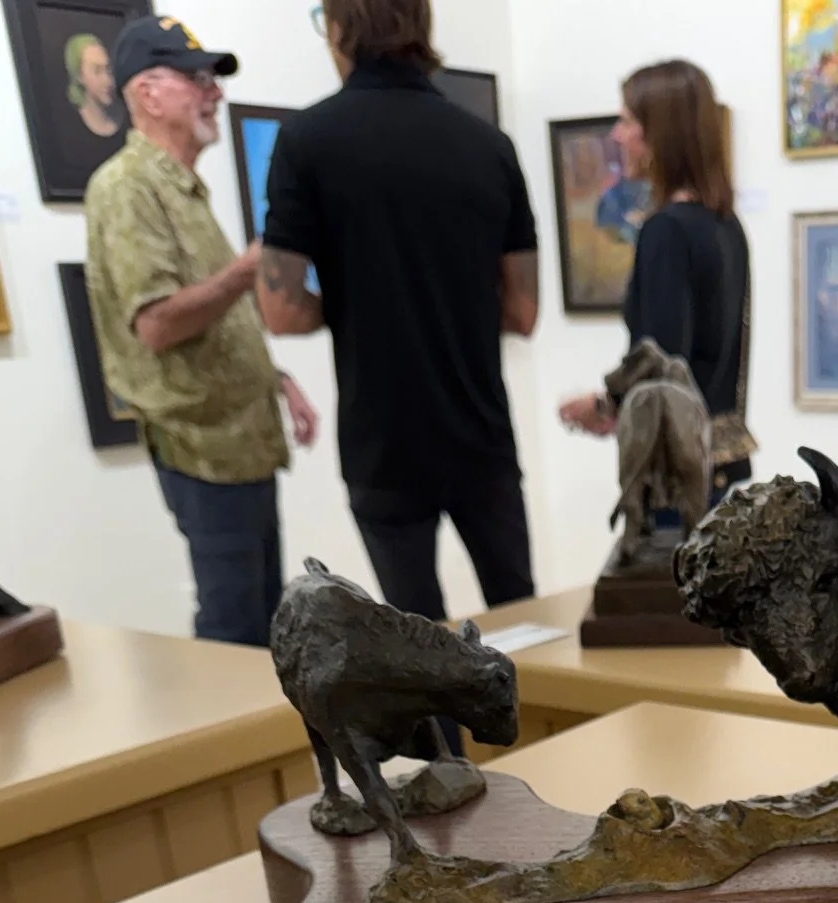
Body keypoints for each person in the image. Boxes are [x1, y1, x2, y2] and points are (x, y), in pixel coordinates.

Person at [257, 0, 540, 649]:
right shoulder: (489, 145)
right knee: (524, 616)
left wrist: (362, 304)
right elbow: (522, 312)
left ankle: (444, 753)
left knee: (415, 641)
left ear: (339, 26)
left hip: (382, 438)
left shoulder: (308, 141)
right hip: (480, 430)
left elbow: (279, 306)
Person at [85, 16, 318, 648]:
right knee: (235, 634)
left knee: (272, 627)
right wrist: (247, 269)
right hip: (203, 449)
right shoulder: (127, 188)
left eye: (212, 80)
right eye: (196, 80)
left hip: (240, 443)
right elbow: (157, 324)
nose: (213, 93)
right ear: (146, 94)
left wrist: (278, 380)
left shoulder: (181, 189)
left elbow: (211, 322)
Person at [560, 60, 754, 502]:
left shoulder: (666, 230)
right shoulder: (725, 224)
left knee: (659, 574)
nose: (616, 135)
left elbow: (662, 361)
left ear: (659, 134)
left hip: (675, 472)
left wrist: (604, 403)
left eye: (627, 121)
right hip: (719, 460)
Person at [65, 35, 122, 139]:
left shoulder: (127, 111)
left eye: (108, 69)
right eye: (97, 71)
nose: (108, 80)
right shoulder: (69, 131)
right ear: (79, 76)